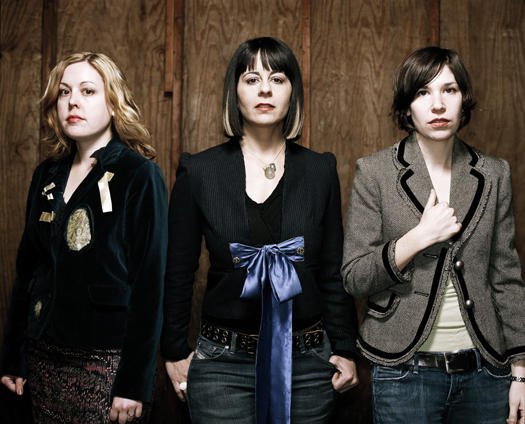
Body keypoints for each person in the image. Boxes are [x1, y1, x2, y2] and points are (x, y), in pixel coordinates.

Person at [161, 36, 359, 424]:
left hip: (308, 364)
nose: (265, 89)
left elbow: (332, 270)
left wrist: (345, 348)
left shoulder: (319, 170)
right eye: (252, 79)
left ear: (292, 92)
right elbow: (178, 271)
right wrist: (173, 350)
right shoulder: (199, 171)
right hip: (222, 366)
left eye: (277, 79)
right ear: (234, 93)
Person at [341, 46, 525, 423]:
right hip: (404, 372)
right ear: (407, 106)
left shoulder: (494, 173)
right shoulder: (375, 172)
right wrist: (417, 238)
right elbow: (355, 277)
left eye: (449, 90)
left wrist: (520, 371)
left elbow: (506, 278)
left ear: (463, 99)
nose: (438, 104)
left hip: (485, 371)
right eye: (423, 92)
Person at [0, 52, 167, 423]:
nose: (72, 101)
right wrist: (13, 356)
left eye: (88, 91)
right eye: (64, 92)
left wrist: (133, 384)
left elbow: (150, 287)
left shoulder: (139, 175)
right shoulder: (46, 174)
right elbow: (27, 273)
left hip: (105, 362)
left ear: (114, 103)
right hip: (43, 357)